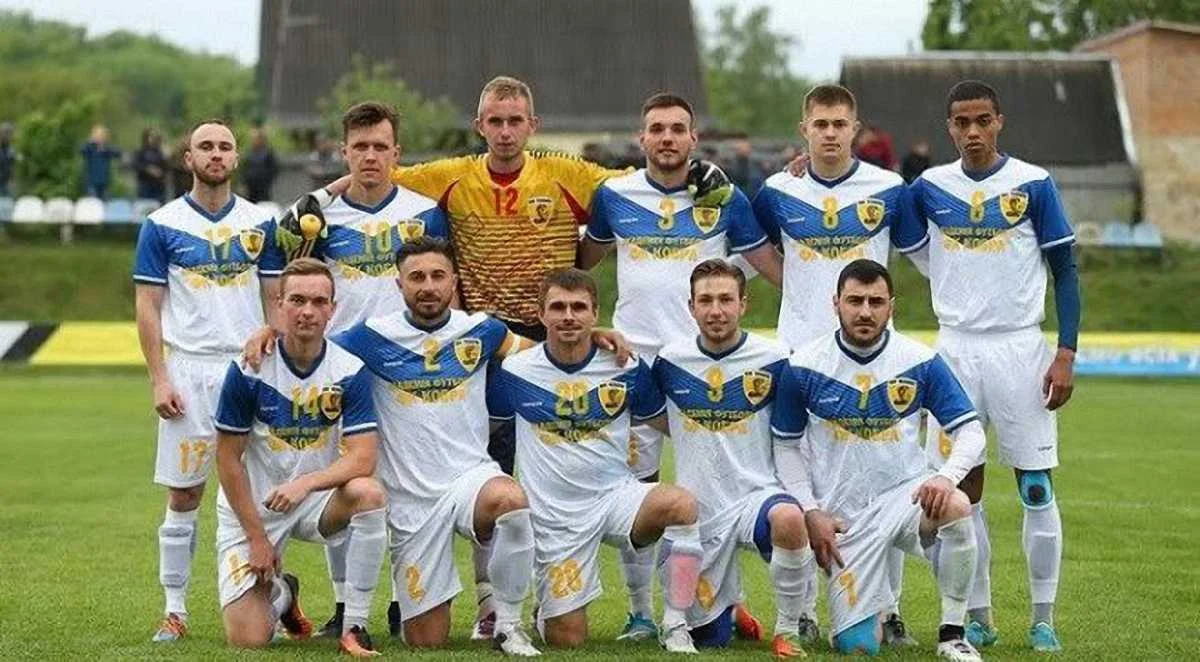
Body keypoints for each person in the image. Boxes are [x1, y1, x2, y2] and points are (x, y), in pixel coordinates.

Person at [314, 75, 731, 637]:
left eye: (515, 121)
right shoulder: (449, 175)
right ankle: (487, 603)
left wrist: (708, 173)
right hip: (478, 342)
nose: (506, 131)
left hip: (552, 334)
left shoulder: (567, 173)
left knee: (562, 467)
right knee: (482, 470)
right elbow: (376, 170)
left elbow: (646, 178)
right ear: (479, 126)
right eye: (495, 121)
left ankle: (610, 604)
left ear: (533, 125)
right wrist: (320, 197)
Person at [577, 91, 781, 641]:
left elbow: (770, 265)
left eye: (677, 129)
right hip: (635, 361)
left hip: (702, 362)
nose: (666, 138)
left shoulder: (724, 196)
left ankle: (726, 602)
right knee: (639, 489)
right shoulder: (614, 195)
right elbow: (580, 262)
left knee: (718, 489)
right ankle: (641, 611)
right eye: (657, 129)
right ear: (641, 138)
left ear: (694, 138)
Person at [250, 101, 449, 638]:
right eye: (360, 147)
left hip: (407, 370)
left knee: (402, 486)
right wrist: (272, 324)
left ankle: (403, 599)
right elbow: (281, 264)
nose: (370, 156)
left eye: (380, 146)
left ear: (397, 153)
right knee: (344, 484)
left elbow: (443, 284)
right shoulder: (319, 217)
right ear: (344, 152)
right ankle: (344, 606)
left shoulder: (425, 213)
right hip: (335, 371)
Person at [903, 80, 1080, 653]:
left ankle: (1043, 618)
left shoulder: (1032, 183)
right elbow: (874, 205)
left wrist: (1066, 352)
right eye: (962, 122)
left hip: (1020, 348)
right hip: (954, 350)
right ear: (949, 128)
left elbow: (1065, 270)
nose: (973, 131)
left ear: (999, 121)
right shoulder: (929, 187)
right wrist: (803, 167)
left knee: (1035, 486)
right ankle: (977, 616)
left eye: (983, 120)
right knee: (962, 490)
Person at [751, 84, 927, 643]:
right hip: (798, 357)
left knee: (884, 481)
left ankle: (890, 609)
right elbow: (746, 252)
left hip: (874, 358)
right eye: (820, 123)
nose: (830, 133)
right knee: (802, 483)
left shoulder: (890, 189)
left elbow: (927, 257)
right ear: (803, 129)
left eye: (839, 123)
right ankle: (801, 610)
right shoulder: (777, 190)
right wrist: (797, 290)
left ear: (856, 129)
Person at [332, 237, 543, 656]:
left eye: (437, 276)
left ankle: (508, 624)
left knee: (510, 500)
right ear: (399, 284)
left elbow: (547, 356)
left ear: (453, 281)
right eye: (416, 277)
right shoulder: (370, 336)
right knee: (426, 640)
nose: (428, 286)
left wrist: (597, 339)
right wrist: (268, 334)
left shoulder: (483, 330)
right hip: (410, 499)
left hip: (470, 479)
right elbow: (311, 353)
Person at [771, 259, 986, 661]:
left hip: (903, 501)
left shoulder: (920, 361)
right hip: (842, 519)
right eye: (855, 301)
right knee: (858, 648)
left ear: (892, 307)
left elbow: (971, 431)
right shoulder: (803, 366)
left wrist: (946, 477)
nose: (865, 312)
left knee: (956, 506)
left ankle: (952, 633)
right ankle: (867, 616)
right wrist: (811, 510)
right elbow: (784, 447)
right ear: (836, 304)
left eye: (876, 302)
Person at [487, 268, 704, 653]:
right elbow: (486, 430)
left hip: (614, 498)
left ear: (595, 313)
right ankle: (545, 610)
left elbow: (668, 424)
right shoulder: (515, 371)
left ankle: (675, 624)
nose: (568, 316)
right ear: (541, 314)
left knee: (680, 505)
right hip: (555, 517)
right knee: (567, 640)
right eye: (558, 307)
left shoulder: (625, 365)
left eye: (578, 307)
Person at [133, 118, 282, 642]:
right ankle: (175, 610)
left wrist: (273, 337)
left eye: (224, 147)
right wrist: (159, 378)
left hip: (250, 369)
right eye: (205, 147)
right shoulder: (161, 224)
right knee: (184, 495)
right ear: (188, 158)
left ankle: (274, 599)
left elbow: (275, 297)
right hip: (189, 369)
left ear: (236, 159)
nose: (215, 154)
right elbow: (148, 306)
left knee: (264, 494)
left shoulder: (262, 222)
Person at [213, 258, 387, 656]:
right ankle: (283, 594)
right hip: (255, 506)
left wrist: (305, 484)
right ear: (279, 305)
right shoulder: (248, 369)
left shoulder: (349, 370)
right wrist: (257, 538)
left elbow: (363, 458)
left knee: (369, 493)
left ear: (332, 309)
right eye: (297, 300)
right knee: (249, 639)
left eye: (318, 302)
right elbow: (227, 460)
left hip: (314, 500)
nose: (308, 311)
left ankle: (354, 626)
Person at [650, 259, 815, 657]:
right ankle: (731, 606)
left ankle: (790, 628)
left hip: (756, 496)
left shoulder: (777, 358)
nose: (716, 310)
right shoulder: (669, 361)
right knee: (711, 639)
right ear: (691, 307)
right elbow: (651, 413)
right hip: (699, 510)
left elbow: (796, 428)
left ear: (743, 304)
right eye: (705, 300)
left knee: (789, 518)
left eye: (726, 299)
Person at [81, 124, 121, 199]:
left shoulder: (107, 149)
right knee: (93, 202)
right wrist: (90, 141)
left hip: (104, 183)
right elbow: (82, 150)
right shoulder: (90, 148)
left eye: (101, 136)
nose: (99, 138)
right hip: (92, 183)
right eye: (97, 136)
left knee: (106, 202)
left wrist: (105, 148)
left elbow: (118, 153)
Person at [243, 127, 278, 203]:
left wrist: (264, 179)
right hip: (251, 189)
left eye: (256, 139)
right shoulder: (250, 154)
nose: (254, 141)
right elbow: (245, 169)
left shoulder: (268, 154)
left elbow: (273, 170)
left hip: (263, 189)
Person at [133, 128, 169, 203]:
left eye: (155, 136)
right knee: (145, 205)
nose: (153, 139)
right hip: (145, 184)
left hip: (159, 185)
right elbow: (136, 165)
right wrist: (148, 169)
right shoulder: (141, 151)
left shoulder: (161, 151)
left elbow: (167, 167)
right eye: (151, 136)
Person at [0, 122, 16, 197]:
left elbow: (12, 166)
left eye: (9, 134)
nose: (7, 136)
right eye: (5, 133)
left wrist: (12, 179)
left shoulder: (11, 149)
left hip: (6, 183)